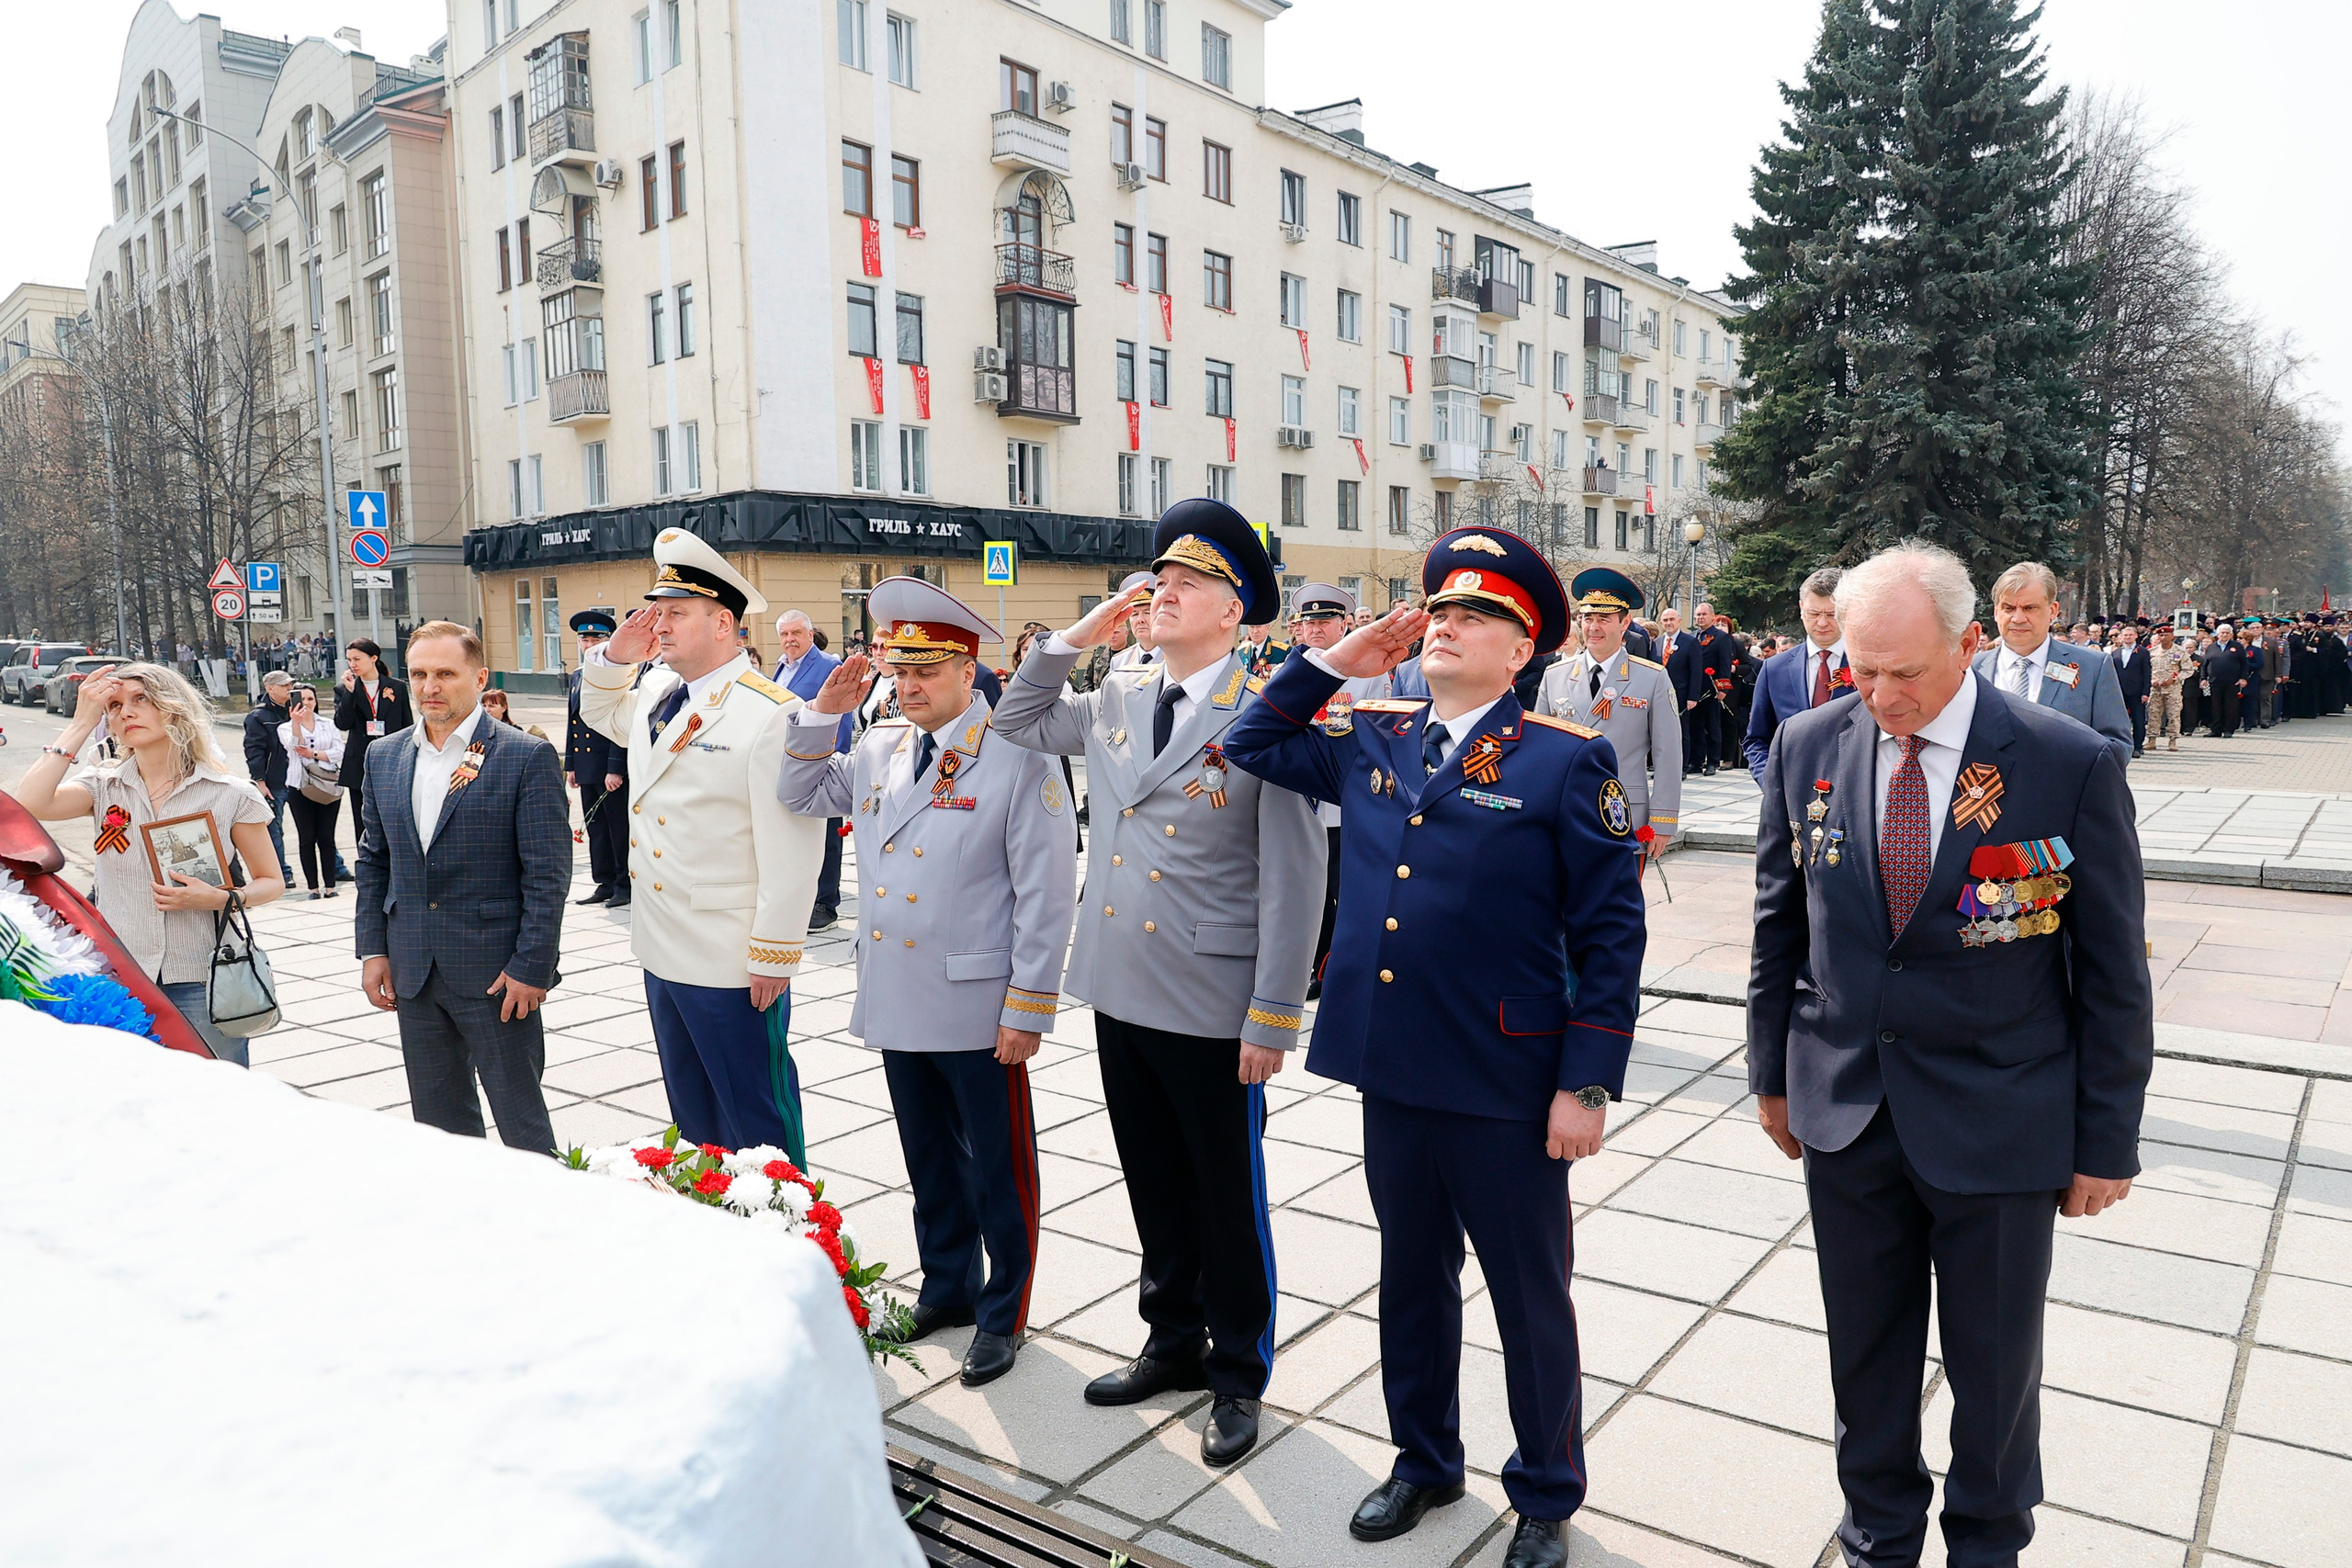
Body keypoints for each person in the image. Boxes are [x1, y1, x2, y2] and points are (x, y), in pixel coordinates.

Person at [1223, 528, 1645, 1568]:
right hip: (1394, 1063)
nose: (1447, 624)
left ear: (1522, 651)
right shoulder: (1375, 729)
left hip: (1506, 1079)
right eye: (1441, 611)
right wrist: (1332, 658)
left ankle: (1545, 1491)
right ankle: (1423, 1461)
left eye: (1479, 617)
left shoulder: (1560, 758)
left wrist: (1586, 1082)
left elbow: (1610, 933)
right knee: (1411, 1274)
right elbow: (1250, 741)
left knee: (1525, 1291)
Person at [1748, 542, 2150, 1568]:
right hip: (1847, 1111)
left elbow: (2109, 971)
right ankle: (1876, 1532)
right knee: (1865, 1355)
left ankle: (1986, 1540)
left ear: (1969, 645)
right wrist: (1771, 1078)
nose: (1879, 694)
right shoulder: (1805, 744)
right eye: (1860, 669)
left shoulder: (2064, 762)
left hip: (2002, 1122)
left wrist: (2106, 1139)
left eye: (1905, 673)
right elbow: (1778, 928)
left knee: (1995, 1367)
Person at [993, 499, 1322, 1468]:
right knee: (1151, 1179)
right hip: (1121, 979)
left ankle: (1235, 1371)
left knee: (1226, 1192)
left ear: (1235, 612)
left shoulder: (1270, 710)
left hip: (1215, 994)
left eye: (1186, 585)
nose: (1160, 595)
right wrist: (1075, 637)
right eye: (1156, 582)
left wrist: (1273, 1012)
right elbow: (1017, 719)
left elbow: (1297, 875)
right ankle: (1170, 1338)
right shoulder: (1120, 692)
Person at [778, 578, 1076, 1389]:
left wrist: (1029, 1005)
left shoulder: (1018, 751)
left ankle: (1003, 1308)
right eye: (898, 672)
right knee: (928, 1157)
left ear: (969, 669)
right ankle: (947, 1282)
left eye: (926, 672)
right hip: (900, 990)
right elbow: (798, 790)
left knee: (999, 1165)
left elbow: (1046, 892)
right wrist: (821, 714)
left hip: (980, 1002)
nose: (907, 687)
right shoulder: (877, 744)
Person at [580, 529, 828, 1161]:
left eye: (676, 613)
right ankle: (723, 1233)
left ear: (725, 623)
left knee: (758, 1121)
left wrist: (776, 950)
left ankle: (796, 1243)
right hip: (662, 943)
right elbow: (599, 711)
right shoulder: (662, 692)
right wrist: (615, 654)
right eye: (657, 611)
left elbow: (794, 843)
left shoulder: (771, 711)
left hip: (730, 958)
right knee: (694, 1121)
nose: (659, 625)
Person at [353, 623, 569, 1153]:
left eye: (445, 673)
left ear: (478, 677)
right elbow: (373, 860)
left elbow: (547, 875)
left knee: (524, 1130)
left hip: (498, 976)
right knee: (439, 1130)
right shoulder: (385, 756)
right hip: (415, 971)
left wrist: (531, 967)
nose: (431, 686)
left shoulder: (524, 756)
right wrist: (373, 949)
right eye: (419, 674)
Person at [9, 662, 285, 1063]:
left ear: (172, 708)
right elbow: (28, 804)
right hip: (121, 973)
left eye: (141, 700)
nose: (126, 712)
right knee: (135, 1100)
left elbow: (270, 881)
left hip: (202, 976)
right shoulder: (102, 786)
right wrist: (82, 721)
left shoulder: (231, 794)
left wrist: (219, 898)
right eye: (115, 706)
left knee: (215, 1101)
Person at [1286, 581, 1391, 999]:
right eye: (1308, 622)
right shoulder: (1288, 672)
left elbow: (1378, 736)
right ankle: (1314, 961)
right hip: (1299, 801)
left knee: (1343, 890)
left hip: (1345, 801)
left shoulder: (1367, 670)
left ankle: (1343, 965)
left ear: (1344, 624)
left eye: (1325, 620)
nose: (1315, 629)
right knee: (1304, 891)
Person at [1537, 568, 1681, 859]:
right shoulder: (1555, 676)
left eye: (1604, 619)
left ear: (1625, 622)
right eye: (1587, 618)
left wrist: (1664, 821)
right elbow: (1538, 749)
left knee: (1619, 901)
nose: (1594, 627)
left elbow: (1669, 753)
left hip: (1622, 813)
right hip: (1564, 810)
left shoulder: (1651, 678)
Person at [1970, 563, 2133, 767]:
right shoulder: (1970, 670)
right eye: (2008, 608)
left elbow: (2117, 746)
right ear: (1996, 612)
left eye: (2030, 608)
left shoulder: (2093, 668)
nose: (2018, 618)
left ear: (2053, 610)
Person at [773, 609, 853, 930]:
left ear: (809, 634)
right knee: (800, 837)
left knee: (828, 837)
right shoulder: (780, 668)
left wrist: (832, 760)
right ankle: (804, 898)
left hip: (821, 763)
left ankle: (826, 904)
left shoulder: (827, 666)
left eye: (796, 633)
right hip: (791, 763)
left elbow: (842, 715)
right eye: (784, 635)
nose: (790, 640)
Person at [1743, 569, 1850, 780]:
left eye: (1831, 614)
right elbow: (1756, 740)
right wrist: (1772, 785)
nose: (1821, 622)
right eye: (1813, 613)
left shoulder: (1868, 665)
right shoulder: (1774, 669)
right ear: (1802, 609)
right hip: (1790, 796)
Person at [565, 609, 631, 908]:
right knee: (596, 829)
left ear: (608, 640)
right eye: (584, 637)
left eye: (596, 636)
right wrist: (572, 765)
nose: (589, 641)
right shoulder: (578, 676)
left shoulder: (619, 672)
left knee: (618, 827)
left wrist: (615, 767)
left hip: (609, 764)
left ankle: (623, 884)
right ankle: (603, 882)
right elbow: (573, 723)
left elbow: (622, 722)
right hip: (587, 765)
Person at [334, 638, 412, 850]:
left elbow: (407, 726)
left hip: (391, 761)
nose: (353, 664)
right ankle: (366, 859)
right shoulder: (345, 689)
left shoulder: (396, 687)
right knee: (363, 819)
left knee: (393, 816)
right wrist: (350, 693)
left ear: (374, 658)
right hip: (358, 762)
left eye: (357, 659)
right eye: (350, 660)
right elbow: (342, 723)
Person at [278, 684, 345, 899]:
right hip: (300, 786)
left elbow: (338, 752)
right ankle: (313, 888)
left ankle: (330, 886)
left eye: (310, 699)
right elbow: (293, 746)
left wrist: (314, 753)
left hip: (327, 784)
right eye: (302, 699)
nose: (306, 703)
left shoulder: (328, 724)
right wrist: (297, 724)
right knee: (306, 838)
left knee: (327, 837)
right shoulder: (286, 727)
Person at [243, 670, 297, 881]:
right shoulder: (258, 717)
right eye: (284, 686)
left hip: (300, 777)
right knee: (275, 830)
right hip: (275, 781)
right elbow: (254, 750)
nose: (289, 689)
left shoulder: (295, 709)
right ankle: (282, 873)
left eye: (290, 684)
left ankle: (335, 867)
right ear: (270, 688)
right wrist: (260, 782)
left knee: (315, 827)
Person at [2145, 623, 2187, 751]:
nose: (2163, 637)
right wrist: (2151, 680)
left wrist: (2174, 679)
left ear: (2172, 636)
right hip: (2155, 689)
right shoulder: (2152, 652)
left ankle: (2173, 740)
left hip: (2173, 690)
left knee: (2174, 715)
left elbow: (2188, 670)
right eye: (2161, 635)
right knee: (2153, 714)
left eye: (2166, 635)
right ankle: (2151, 740)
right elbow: (2146, 670)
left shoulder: (2180, 652)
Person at [2203, 624, 2249, 739]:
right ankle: (2216, 730)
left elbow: (2244, 664)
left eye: (2227, 633)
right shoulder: (2212, 647)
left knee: (2231, 707)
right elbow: (2205, 664)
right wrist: (2203, 678)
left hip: (2232, 682)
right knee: (2216, 707)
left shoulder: (2237, 646)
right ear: (2217, 634)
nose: (2224, 635)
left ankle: (2228, 730)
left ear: (2231, 634)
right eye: (2222, 633)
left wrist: (2243, 678)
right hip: (2215, 682)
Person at [2110, 624, 2150, 757]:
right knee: (2120, 721)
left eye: (2130, 635)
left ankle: (2137, 747)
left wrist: (2146, 692)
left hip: (2137, 692)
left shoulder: (2143, 652)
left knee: (2139, 721)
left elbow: (2147, 673)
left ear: (2136, 636)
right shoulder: (2115, 653)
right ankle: (2121, 745)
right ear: (2121, 637)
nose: (2128, 637)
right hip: (2119, 692)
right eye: (2125, 635)